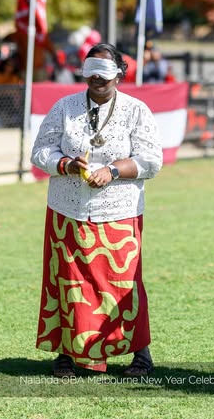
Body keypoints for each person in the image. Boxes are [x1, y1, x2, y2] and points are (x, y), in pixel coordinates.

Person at [31, 43, 163, 378]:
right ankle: (65, 354)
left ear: (119, 74)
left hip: (119, 212)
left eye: (103, 74)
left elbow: (151, 160)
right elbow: (40, 151)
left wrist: (114, 170)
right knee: (66, 281)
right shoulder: (65, 107)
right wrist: (65, 164)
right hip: (67, 210)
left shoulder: (136, 110)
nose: (96, 80)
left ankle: (140, 354)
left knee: (122, 283)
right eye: (90, 73)